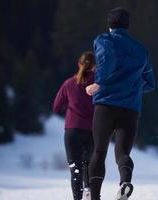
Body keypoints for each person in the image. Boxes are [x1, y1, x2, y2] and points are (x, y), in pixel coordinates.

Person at [86, 7, 155, 200]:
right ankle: (125, 182)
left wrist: (99, 82)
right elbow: (150, 83)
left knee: (99, 151)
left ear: (109, 25)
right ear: (127, 25)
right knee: (122, 152)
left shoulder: (104, 39)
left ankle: (95, 197)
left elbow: (108, 57)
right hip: (130, 109)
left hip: (106, 106)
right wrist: (130, 86)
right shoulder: (141, 49)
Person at [53, 51, 96, 200]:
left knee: (75, 169)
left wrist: (71, 106)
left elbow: (56, 107)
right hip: (92, 130)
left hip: (72, 130)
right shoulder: (98, 84)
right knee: (88, 164)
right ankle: (89, 190)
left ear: (79, 64)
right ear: (95, 66)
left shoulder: (69, 84)